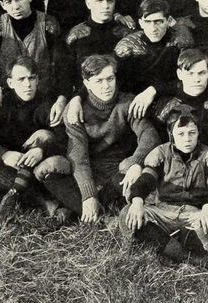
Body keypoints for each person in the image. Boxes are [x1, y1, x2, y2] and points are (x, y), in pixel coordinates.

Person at [42, 55, 160, 222]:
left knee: (131, 180)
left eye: (110, 78)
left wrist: (136, 162)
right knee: (52, 178)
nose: (106, 86)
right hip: (90, 168)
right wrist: (88, 195)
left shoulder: (127, 103)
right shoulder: (76, 110)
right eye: (99, 81)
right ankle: (101, 214)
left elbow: (149, 135)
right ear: (87, 84)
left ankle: (80, 209)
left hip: (118, 170)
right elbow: (78, 156)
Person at [0, 56, 72, 223]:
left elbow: (64, 139)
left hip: (37, 170)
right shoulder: (0, 104)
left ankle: (13, 199)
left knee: (45, 135)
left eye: (31, 78)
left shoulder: (46, 104)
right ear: (10, 83)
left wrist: (41, 150)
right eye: (21, 79)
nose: (27, 84)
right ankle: (39, 201)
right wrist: (4, 154)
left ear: (38, 79)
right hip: (8, 167)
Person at [120, 109, 208, 258]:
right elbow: (146, 180)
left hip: (195, 213)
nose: (187, 139)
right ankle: (179, 252)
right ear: (171, 135)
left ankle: (168, 240)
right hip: (163, 212)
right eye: (181, 134)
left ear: (198, 133)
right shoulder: (161, 153)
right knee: (128, 214)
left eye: (192, 133)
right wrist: (137, 202)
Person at [0, 0, 70, 120]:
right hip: (8, 98)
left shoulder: (48, 24)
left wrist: (61, 99)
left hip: (43, 99)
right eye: (8, 1)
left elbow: (63, 67)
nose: (15, 6)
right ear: (2, 5)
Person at [113, 0, 193, 119]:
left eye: (158, 21)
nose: (153, 28)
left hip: (171, 100)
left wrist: (154, 90)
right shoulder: (128, 46)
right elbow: (115, 81)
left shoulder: (180, 42)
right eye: (148, 22)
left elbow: (191, 79)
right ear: (140, 23)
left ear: (168, 21)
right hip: (136, 103)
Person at [153, 49, 208, 151]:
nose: (197, 79)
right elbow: (159, 148)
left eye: (202, 73)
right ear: (179, 74)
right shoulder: (165, 106)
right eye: (190, 74)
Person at [65, 0, 132, 85]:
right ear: (88, 3)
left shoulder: (125, 35)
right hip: (83, 97)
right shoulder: (75, 35)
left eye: (109, 1)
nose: (105, 6)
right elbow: (68, 75)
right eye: (99, 1)